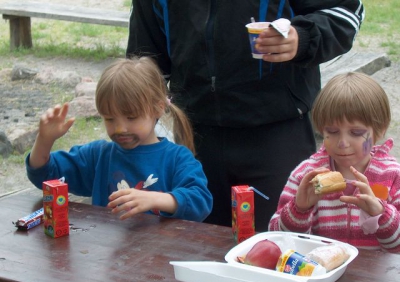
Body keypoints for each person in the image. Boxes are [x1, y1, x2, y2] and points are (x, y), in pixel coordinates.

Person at [126, 1, 365, 231]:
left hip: (276, 130)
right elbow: (146, 55)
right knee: (198, 246)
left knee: (279, 248)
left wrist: (303, 38)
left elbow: (344, 11)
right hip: (194, 134)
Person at [26, 57, 212, 222]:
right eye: (109, 118)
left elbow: (201, 201)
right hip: (108, 256)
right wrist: (44, 140)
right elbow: (45, 176)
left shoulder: (177, 158)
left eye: (131, 117)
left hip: (160, 257)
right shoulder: (97, 156)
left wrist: (156, 199)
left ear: (159, 108)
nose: (120, 128)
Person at [268, 72, 400, 253]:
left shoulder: (392, 176)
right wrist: (299, 209)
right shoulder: (306, 174)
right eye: (332, 131)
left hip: (375, 279)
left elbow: (397, 248)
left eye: (356, 133)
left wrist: (381, 214)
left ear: (380, 130)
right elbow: (278, 240)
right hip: (320, 274)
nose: (343, 143)